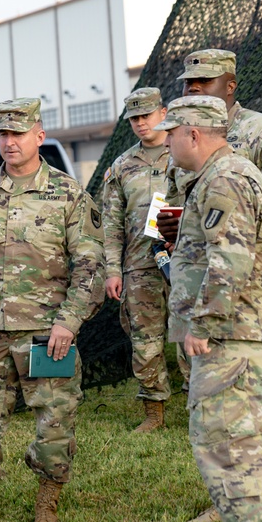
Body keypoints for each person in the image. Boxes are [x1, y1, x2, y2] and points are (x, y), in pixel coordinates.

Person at [157, 50, 262, 522]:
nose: (194, 89)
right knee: (228, 423)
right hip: (214, 298)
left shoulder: (260, 137)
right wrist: (173, 232)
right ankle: (234, 500)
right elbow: (173, 205)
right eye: (188, 83)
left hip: (248, 303)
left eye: (204, 82)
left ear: (229, 83)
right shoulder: (192, 150)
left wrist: (230, 225)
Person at [0, 98, 104, 522]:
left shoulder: (67, 194)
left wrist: (69, 322)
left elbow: (90, 265)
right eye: (4, 134)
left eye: (19, 133)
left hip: (48, 335)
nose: (10, 142)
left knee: (55, 428)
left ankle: (46, 506)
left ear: (39, 135)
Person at [101, 88, 180, 431]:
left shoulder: (184, 152)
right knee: (145, 341)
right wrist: (112, 270)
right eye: (134, 118)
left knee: (193, 334)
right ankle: (154, 413)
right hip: (139, 266)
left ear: (163, 112)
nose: (140, 123)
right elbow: (110, 223)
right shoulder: (121, 166)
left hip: (185, 261)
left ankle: (202, 408)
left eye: (146, 115)